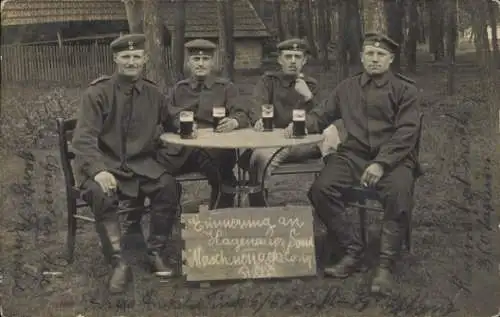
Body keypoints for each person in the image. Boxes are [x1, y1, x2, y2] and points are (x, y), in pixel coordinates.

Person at [284, 32, 422, 295]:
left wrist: (381, 163)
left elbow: (407, 133)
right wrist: (301, 125)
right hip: (353, 156)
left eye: (381, 54)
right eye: (369, 53)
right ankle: (353, 250)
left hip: (394, 160)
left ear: (390, 59)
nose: (374, 59)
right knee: (320, 189)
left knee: (399, 192)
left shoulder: (406, 91)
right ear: (361, 57)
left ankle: (384, 266)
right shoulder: (347, 88)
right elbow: (322, 114)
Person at [71, 34, 179, 294]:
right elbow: (83, 139)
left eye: (136, 57)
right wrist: (98, 171)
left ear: (144, 59)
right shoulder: (97, 93)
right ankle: (118, 262)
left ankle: (155, 252)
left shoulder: (153, 93)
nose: (132, 62)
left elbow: (173, 121)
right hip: (103, 164)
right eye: (126, 57)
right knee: (102, 193)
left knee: (168, 186)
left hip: (140, 165)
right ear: (115, 59)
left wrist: (192, 125)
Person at [241, 38, 343, 206]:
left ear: (304, 61)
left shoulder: (311, 85)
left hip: (305, 143)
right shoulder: (268, 82)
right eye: (288, 57)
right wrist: (259, 119)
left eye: (297, 57)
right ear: (280, 60)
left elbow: (323, 116)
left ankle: (331, 189)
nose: (293, 61)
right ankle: (259, 207)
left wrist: (308, 96)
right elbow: (257, 106)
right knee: (259, 157)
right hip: (276, 143)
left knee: (331, 131)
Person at [158, 39, 250, 209]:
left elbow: (243, 113)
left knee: (224, 176)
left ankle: (218, 219)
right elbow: (167, 115)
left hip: (215, 149)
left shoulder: (226, 88)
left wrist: (234, 121)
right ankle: (167, 213)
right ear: (189, 63)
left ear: (213, 62)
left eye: (205, 59)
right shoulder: (179, 89)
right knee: (155, 172)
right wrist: (180, 125)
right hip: (183, 150)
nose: (201, 64)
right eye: (196, 59)